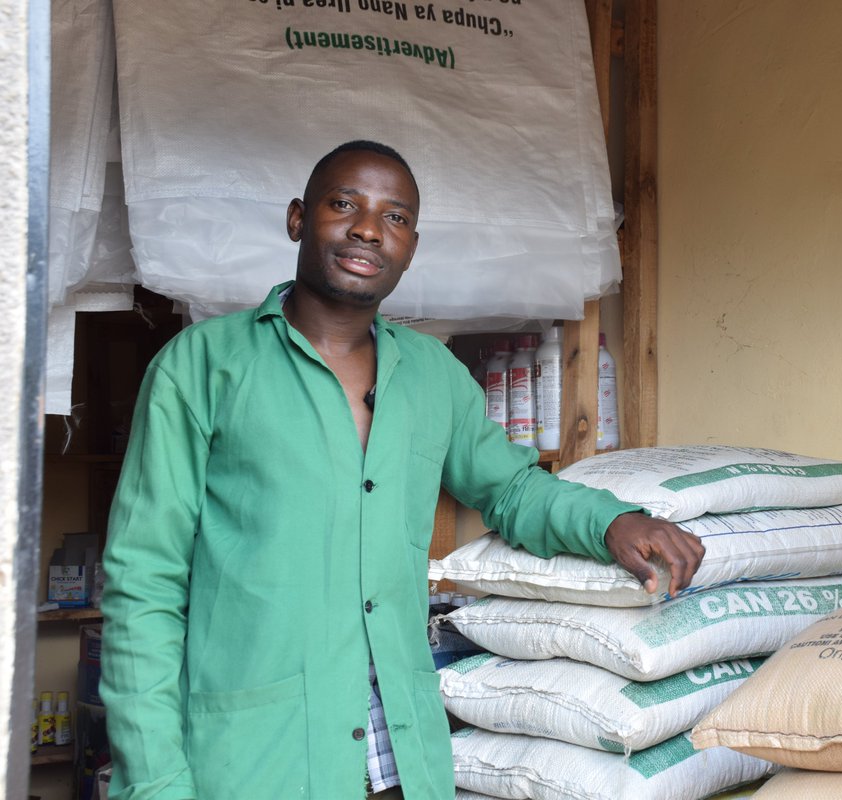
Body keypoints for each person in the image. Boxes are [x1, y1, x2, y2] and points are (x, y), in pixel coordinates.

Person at [99, 140, 705, 800]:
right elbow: (143, 585)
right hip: (252, 761)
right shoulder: (202, 367)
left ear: (412, 245)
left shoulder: (431, 376)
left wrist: (610, 521)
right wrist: (154, 783)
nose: (368, 229)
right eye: (344, 204)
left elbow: (509, 488)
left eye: (394, 217)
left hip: (398, 764)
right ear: (298, 219)